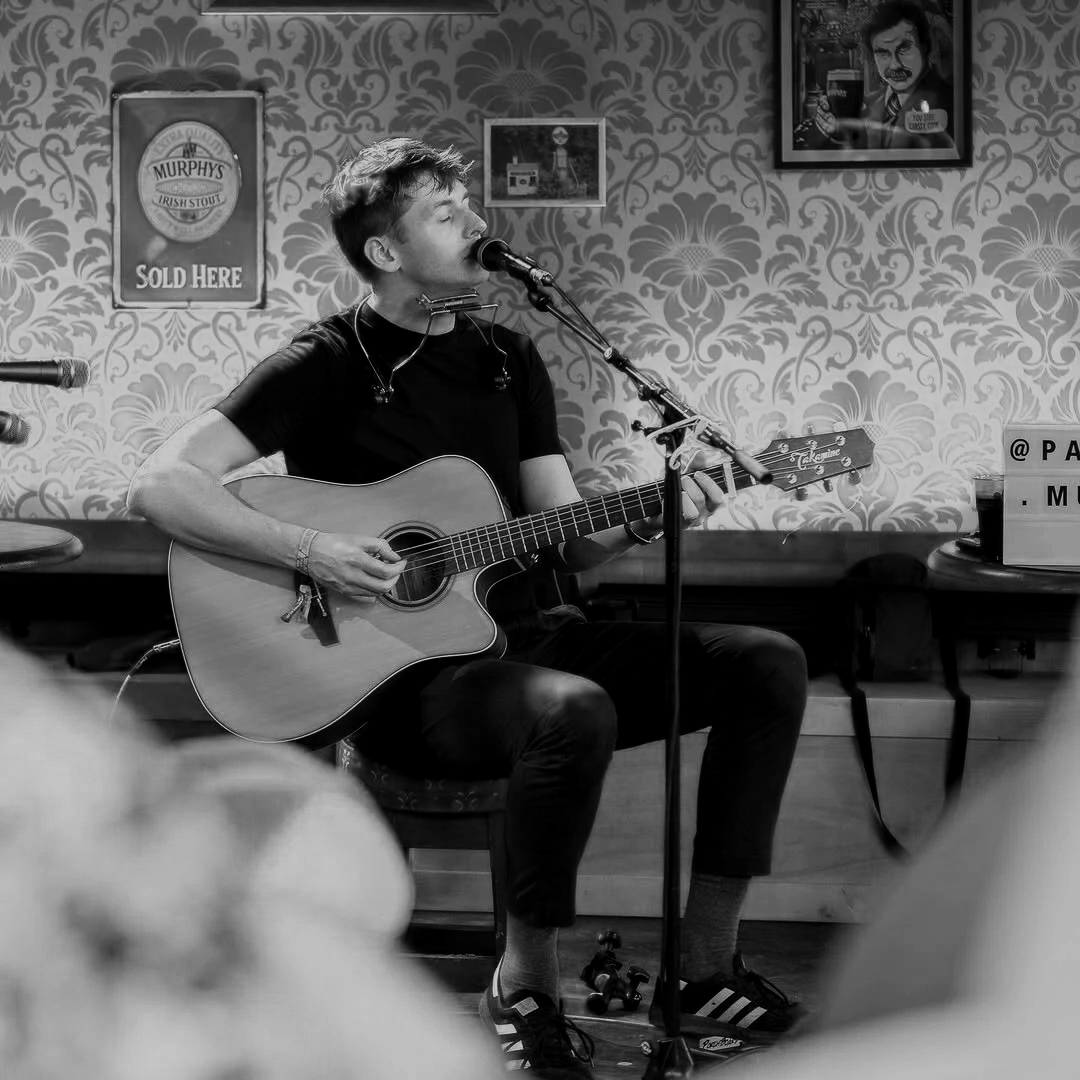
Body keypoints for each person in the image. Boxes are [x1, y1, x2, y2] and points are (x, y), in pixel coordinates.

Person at [127, 136, 809, 1079]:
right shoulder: (323, 362)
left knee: (765, 662)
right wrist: (312, 548)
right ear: (384, 252)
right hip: (411, 679)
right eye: (447, 214)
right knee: (572, 708)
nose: (478, 224)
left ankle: (702, 966)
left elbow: (566, 541)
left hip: (527, 635)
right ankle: (524, 984)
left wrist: (660, 510)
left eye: (469, 207)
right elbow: (164, 483)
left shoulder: (506, 358)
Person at [813, 1, 955, 152]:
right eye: (882, 53)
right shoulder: (869, 104)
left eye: (904, 48)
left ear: (925, 47)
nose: (895, 65)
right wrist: (840, 135)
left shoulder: (951, 100)